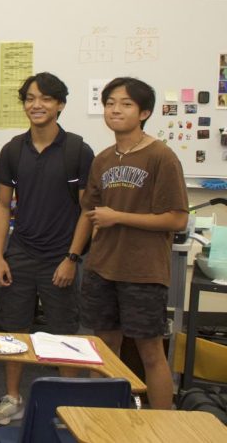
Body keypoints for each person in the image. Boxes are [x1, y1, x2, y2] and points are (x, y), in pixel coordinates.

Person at [0, 72, 94, 425]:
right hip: (21, 254)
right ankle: (12, 397)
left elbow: (87, 211)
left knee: (64, 331)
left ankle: (67, 406)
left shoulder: (77, 150)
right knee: (13, 331)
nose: (37, 104)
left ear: (60, 105)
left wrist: (72, 258)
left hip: (60, 257)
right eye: (30, 98)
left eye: (46, 98)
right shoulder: (13, 149)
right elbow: (3, 206)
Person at [81, 77, 187, 409]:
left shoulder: (161, 156)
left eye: (125, 104)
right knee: (103, 348)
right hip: (103, 267)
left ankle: (162, 426)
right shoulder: (103, 159)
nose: (115, 109)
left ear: (144, 112)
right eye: (110, 102)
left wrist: (119, 217)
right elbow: (91, 211)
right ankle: (100, 418)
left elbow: (176, 219)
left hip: (143, 271)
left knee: (150, 352)